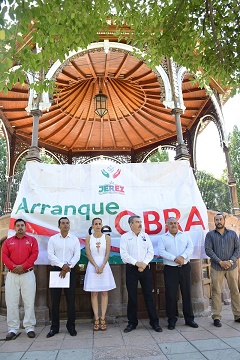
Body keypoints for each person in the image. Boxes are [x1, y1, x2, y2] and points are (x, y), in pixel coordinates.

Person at [120, 215, 162, 333]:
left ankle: (154, 322)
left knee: (149, 295)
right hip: (131, 269)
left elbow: (150, 252)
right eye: (137, 222)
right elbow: (124, 254)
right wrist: (137, 263)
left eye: (140, 222)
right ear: (130, 224)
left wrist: (144, 264)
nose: (140, 224)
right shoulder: (125, 237)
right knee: (132, 297)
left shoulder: (145, 236)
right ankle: (132, 323)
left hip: (145, 269)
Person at [158, 217, 198, 330]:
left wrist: (182, 257)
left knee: (187, 293)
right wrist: (175, 258)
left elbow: (190, 247)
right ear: (167, 225)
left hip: (184, 267)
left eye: (175, 223)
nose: (173, 225)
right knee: (170, 295)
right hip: (170, 269)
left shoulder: (185, 235)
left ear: (178, 224)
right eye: (171, 223)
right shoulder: (163, 238)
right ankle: (171, 320)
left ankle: (189, 319)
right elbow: (161, 251)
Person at [2, 218, 39, 340]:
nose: (20, 227)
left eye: (22, 225)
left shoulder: (32, 240)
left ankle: (29, 327)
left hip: (27, 274)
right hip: (12, 275)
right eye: (18, 225)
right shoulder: (8, 242)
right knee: (11, 302)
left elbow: (34, 255)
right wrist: (14, 267)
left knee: (29, 301)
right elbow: (4, 256)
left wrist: (23, 266)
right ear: (14, 228)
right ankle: (13, 328)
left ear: (25, 227)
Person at [46, 217, 80, 338]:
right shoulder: (53, 239)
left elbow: (77, 255)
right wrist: (62, 266)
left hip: (70, 271)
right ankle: (54, 327)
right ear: (59, 226)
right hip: (56, 271)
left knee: (71, 301)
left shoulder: (74, 240)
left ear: (69, 226)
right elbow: (50, 255)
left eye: (67, 223)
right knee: (55, 301)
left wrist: (68, 267)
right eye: (63, 223)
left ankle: (71, 326)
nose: (65, 225)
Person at [205, 212, 240, 327]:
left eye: (220, 219)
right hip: (217, 267)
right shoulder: (210, 235)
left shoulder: (233, 234)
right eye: (216, 220)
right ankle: (216, 317)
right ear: (214, 221)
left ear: (224, 220)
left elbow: (238, 249)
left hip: (232, 267)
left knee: (235, 290)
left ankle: (238, 315)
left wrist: (230, 261)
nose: (218, 222)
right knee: (216, 291)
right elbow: (208, 250)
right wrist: (220, 262)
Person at [83, 218, 116, 331]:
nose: (98, 226)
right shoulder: (88, 238)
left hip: (104, 265)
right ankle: (96, 318)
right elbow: (88, 253)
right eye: (95, 224)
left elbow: (107, 253)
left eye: (99, 224)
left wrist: (102, 266)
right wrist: (96, 266)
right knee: (94, 293)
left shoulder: (106, 237)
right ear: (92, 226)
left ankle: (103, 318)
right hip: (92, 266)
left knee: (104, 293)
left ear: (102, 225)